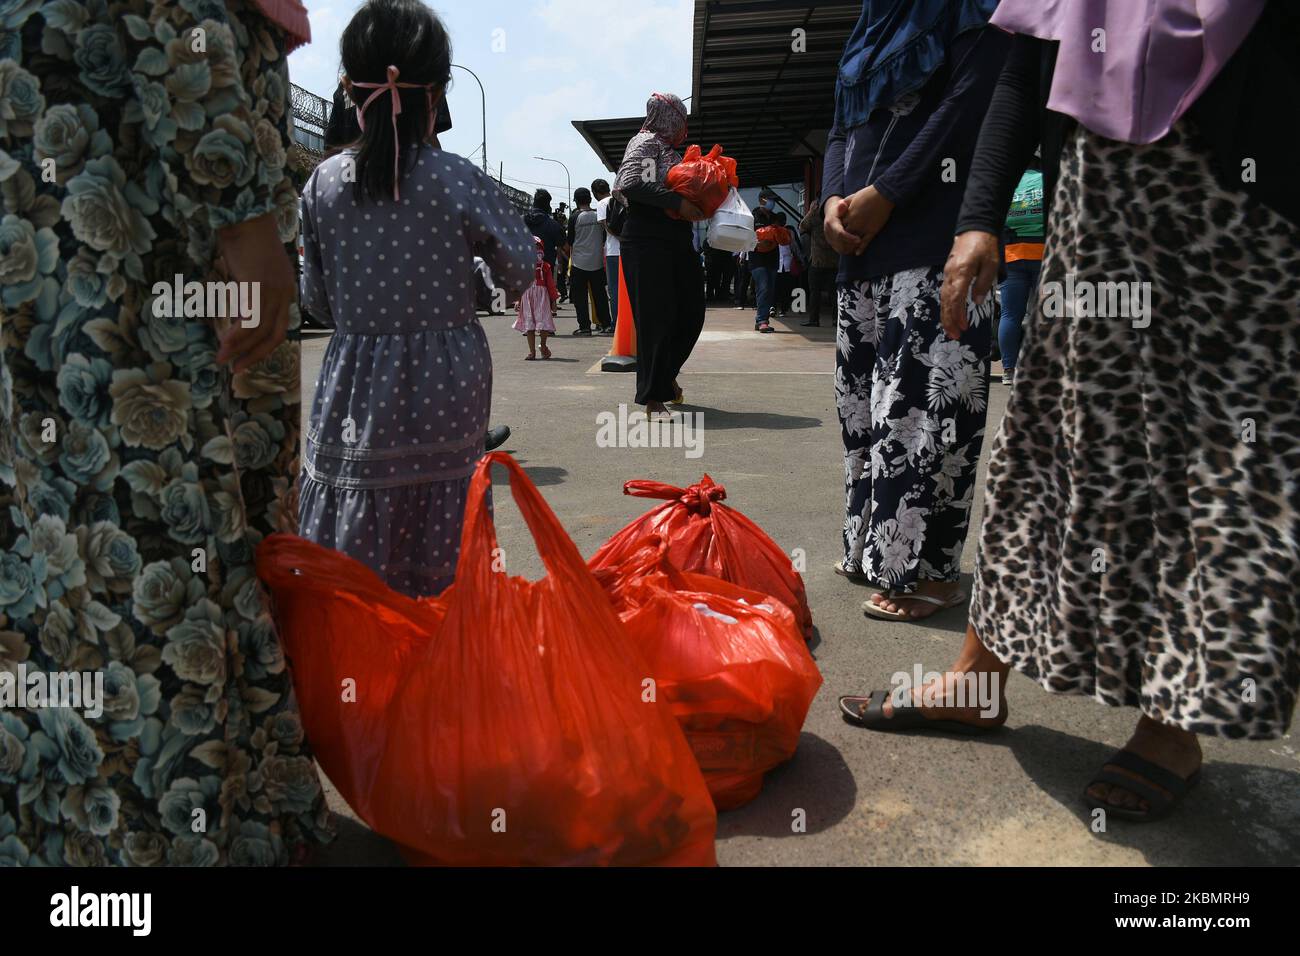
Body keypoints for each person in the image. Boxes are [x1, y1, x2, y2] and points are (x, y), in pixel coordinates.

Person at [843, 0, 1300, 823]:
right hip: (1097, 209)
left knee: (1220, 460)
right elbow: (1021, 71)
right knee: (1044, 442)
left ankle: (1173, 723)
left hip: (1242, 217)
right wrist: (978, 219)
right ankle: (979, 678)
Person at [0, 0, 333, 865]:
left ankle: (84, 833)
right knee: (155, 515)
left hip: (58, 161)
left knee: (68, 531)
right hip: (138, 174)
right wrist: (246, 210)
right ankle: (162, 843)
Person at [298, 0, 534, 598]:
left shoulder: (323, 183)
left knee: (358, 496)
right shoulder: (456, 177)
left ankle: (361, 648)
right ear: (439, 94)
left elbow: (318, 303)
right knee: (443, 498)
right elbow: (520, 269)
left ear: (349, 88)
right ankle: (442, 647)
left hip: (352, 374)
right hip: (447, 377)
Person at [822, 0, 1009, 619]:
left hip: (934, 241)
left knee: (928, 416)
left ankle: (928, 573)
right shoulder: (868, 30)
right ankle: (874, 549)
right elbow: (840, 130)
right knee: (866, 418)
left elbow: (969, 104)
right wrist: (829, 201)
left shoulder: (967, 9)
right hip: (860, 250)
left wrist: (888, 193)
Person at [613, 92, 709, 414]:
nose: (684, 125)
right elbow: (631, 183)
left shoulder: (670, 151)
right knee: (656, 317)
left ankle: (665, 378)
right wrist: (679, 203)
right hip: (646, 238)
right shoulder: (646, 143)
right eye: (680, 117)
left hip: (675, 238)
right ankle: (653, 396)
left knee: (691, 310)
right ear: (668, 116)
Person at [995, 162, 1044, 385]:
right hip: (1044, 253)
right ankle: (1043, 367)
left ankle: (1009, 370)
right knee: (1047, 314)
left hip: (1012, 255)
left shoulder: (1010, 181)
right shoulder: (1045, 179)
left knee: (1010, 315)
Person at [566, 187, 613, 335]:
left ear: (576, 201)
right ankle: (606, 324)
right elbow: (605, 236)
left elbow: (570, 240)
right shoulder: (597, 214)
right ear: (590, 199)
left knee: (580, 297)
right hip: (597, 262)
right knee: (600, 296)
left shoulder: (574, 217)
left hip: (579, 263)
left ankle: (585, 327)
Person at [514, 238, 559, 359]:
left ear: (541, 250)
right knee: (529, 325)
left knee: (543, 323)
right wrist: (518, 300)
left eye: (537, 247)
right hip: (527, 296)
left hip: (542, 297)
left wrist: (553, 300)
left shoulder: (546, 266)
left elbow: (550, 284)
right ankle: (532, 352)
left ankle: (543, 345)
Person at [799, 195, 838, 326]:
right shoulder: (835, 213)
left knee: (815, 291)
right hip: (834, 260)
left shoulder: (815, 216)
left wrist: (811, 211)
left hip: (817, 260)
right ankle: (836, 319)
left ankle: (814, 320)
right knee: (834, 292)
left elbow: (802, 226)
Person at [524, 189, 568, 292]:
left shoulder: (520, 221)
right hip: (546, 273)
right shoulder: (554, 225)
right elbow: (565, 247)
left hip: (524, 270)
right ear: (548, 205)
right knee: (545, 303)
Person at [592, 179, 622, 326]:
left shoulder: (601, 204)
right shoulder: (620, 198)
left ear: (595, 193)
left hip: (613, 252)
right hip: (628, 250)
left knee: (614, 289)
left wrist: (620, 238)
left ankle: (616, 323)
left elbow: (607, 226)